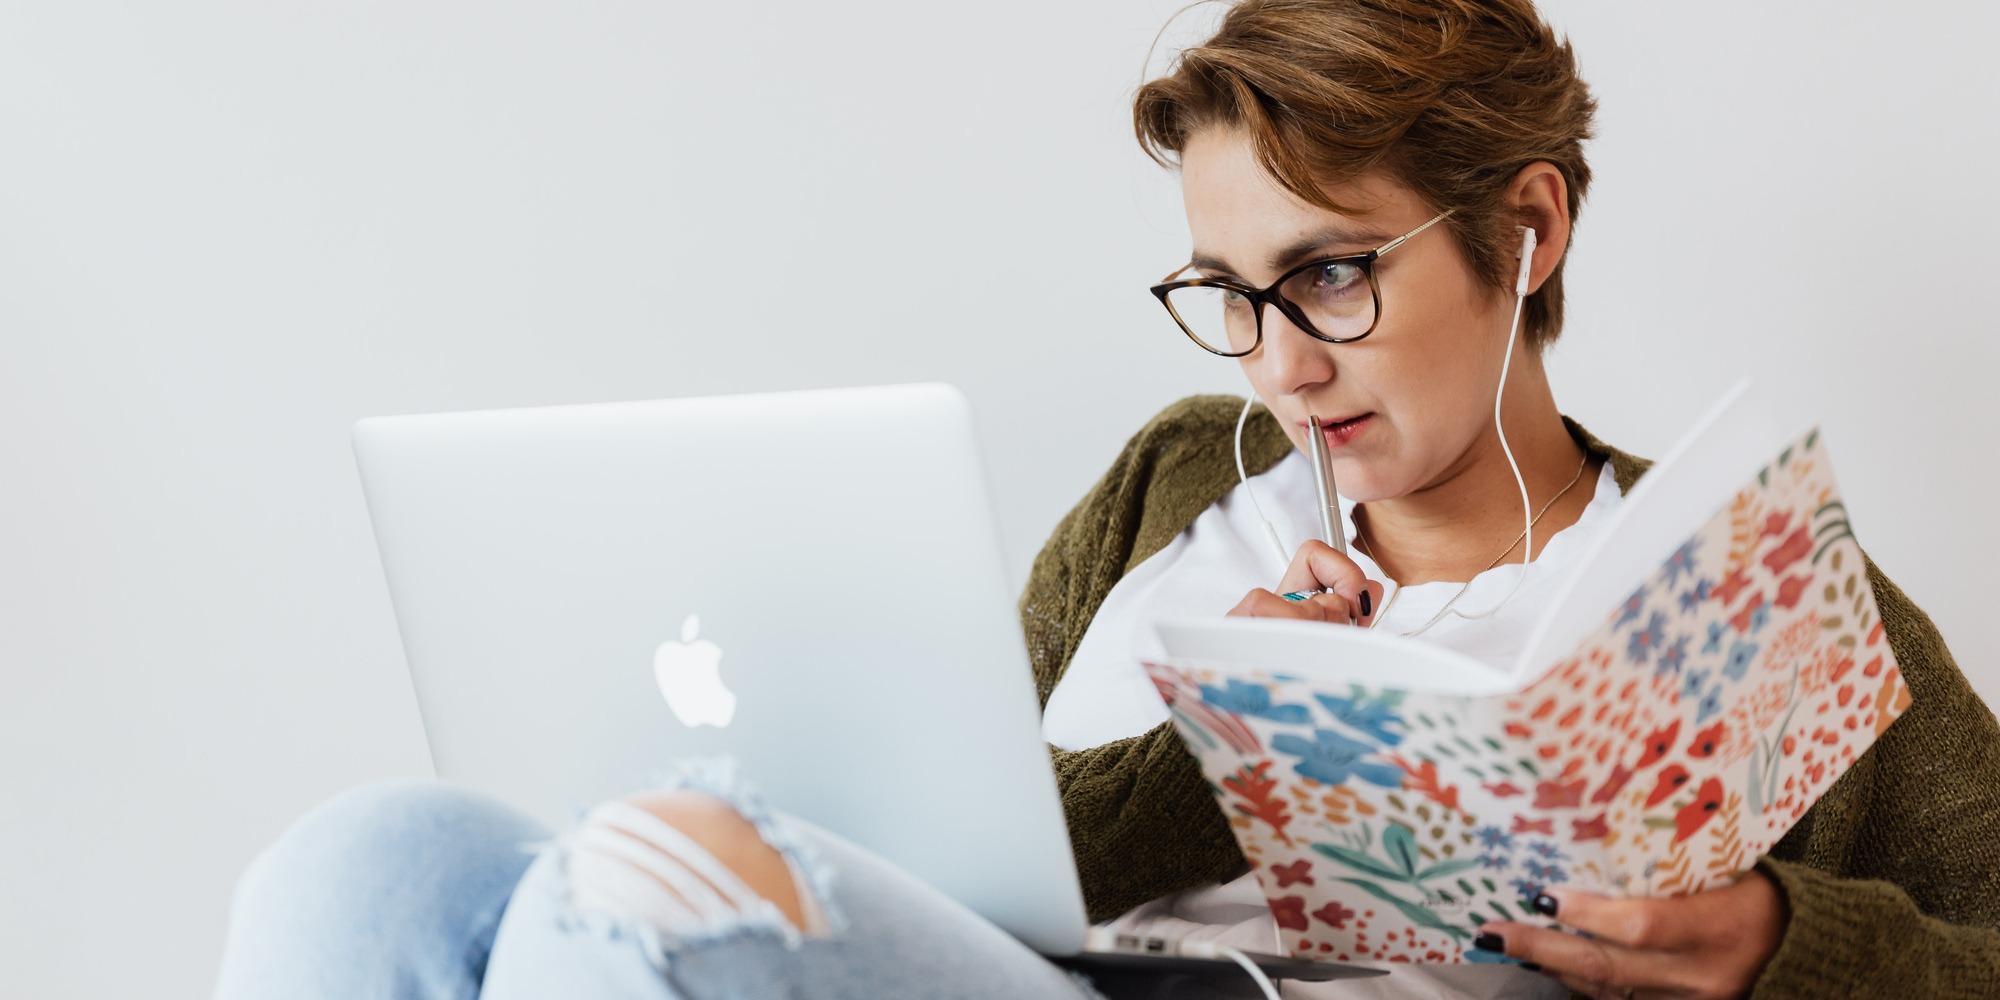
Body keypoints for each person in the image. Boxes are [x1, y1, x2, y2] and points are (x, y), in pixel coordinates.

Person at [213, 2, 2000, 998]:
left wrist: (1786, 944)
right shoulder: (1170, 485)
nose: (1278, 363)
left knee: (645, 893)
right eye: (1229, 291)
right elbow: (961, 860)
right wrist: (1224, 750)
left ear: (1525, 233)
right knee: (378, 859)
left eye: (1330, 278)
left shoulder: (1725, 586)